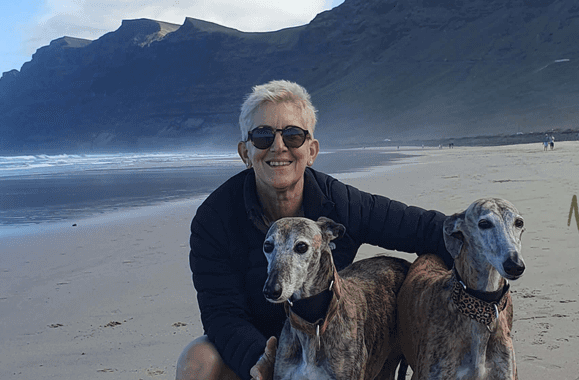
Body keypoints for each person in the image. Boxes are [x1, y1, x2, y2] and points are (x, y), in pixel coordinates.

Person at [176, 80, 454, 380]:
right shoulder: (215, 218)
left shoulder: (342, 204)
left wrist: (475, 274)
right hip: (262, 345)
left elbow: (426, 229)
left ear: (311, 150)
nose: (278, 146)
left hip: (337, 342)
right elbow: (221, 314)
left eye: (293, 135)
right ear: (245, 152)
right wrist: (263, 358)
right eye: (262, 136)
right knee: (198, 359)